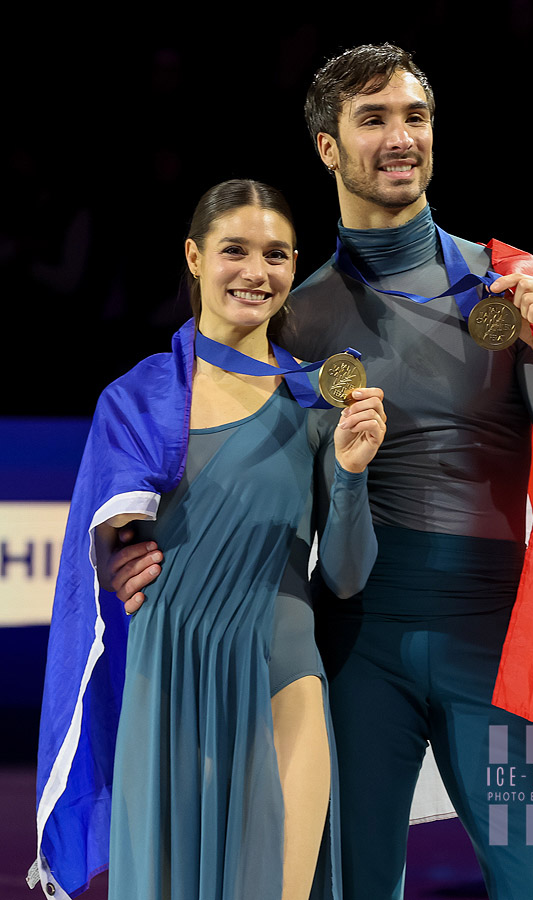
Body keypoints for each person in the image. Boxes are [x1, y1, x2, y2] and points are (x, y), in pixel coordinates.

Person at [101, 45, 533, 900]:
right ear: (327, 147)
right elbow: (197, 437)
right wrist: (132, 544)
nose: (400, 137)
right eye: (372, 119)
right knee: (343, 886)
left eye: (414, 117)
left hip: (496, 640)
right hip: (352, 646)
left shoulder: (508, 288)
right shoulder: (291, 319)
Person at [31, 179, 387, 900]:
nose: (256, 272)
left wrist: (349, 475)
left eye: (276, 254)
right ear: (194, 257)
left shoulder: (318, 400)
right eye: (234, 250)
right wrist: (110, 562)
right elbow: (95, 558)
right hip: (169, 688)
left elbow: (346, 577)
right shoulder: (135, 401)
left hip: (285, 677)